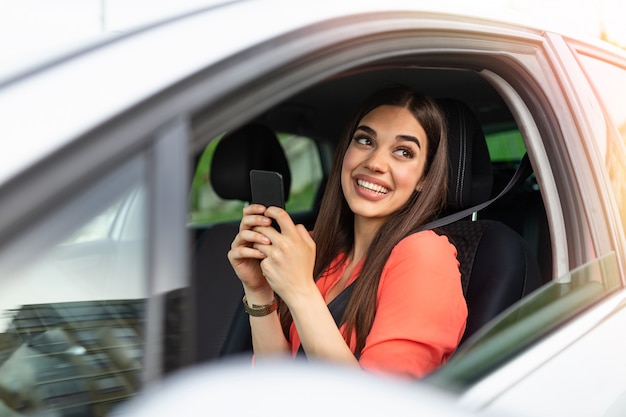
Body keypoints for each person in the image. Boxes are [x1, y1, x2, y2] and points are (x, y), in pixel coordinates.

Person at [227, 87, 467, 378]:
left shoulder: (425, 256)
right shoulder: (319, 249)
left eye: (403, 152)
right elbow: (276, 383)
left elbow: (379, 404)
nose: (375, 163)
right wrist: (259, 290)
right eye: (365, 140)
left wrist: (301, 291)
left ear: (424, 179)